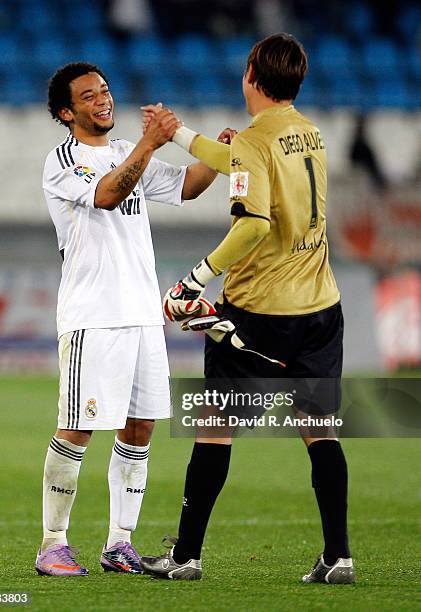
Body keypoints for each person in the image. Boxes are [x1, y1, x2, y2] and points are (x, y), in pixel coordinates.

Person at [140, 33, 355, 584]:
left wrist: (195, 278)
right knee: (321, 431)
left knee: (215, 428)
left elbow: (254, 223)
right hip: (321, 306)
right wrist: (181, 133)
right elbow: (235, 156)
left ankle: (186, 556)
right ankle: (339, 556)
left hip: (258, 312)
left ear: (252, 76)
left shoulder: (258, 142)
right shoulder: (307, 133)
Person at [35, 62, 232, 577]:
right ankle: (52, 543)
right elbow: (106, 195)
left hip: (143, 316)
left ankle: (118, 542)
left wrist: (217, 148)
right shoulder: (63, 161)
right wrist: (150, 142)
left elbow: (188, 186)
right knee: (77, 428)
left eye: (104, 89)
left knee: (140, 426)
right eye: (88, 95)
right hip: (93, 317)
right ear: (66, 112)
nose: (102, 99)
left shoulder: (127, 151)